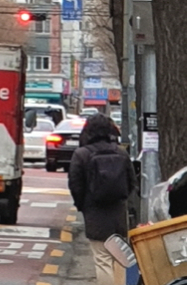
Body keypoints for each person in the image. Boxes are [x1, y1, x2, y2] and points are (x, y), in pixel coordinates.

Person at [69, 114, 136, 285]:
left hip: (94, 213)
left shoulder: (81, 154)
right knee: (119, 258)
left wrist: (83, 205)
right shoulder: (121, 153)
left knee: (102, 259)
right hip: (118, 213)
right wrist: (121, 199)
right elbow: (131, 182)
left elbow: (75, 185)